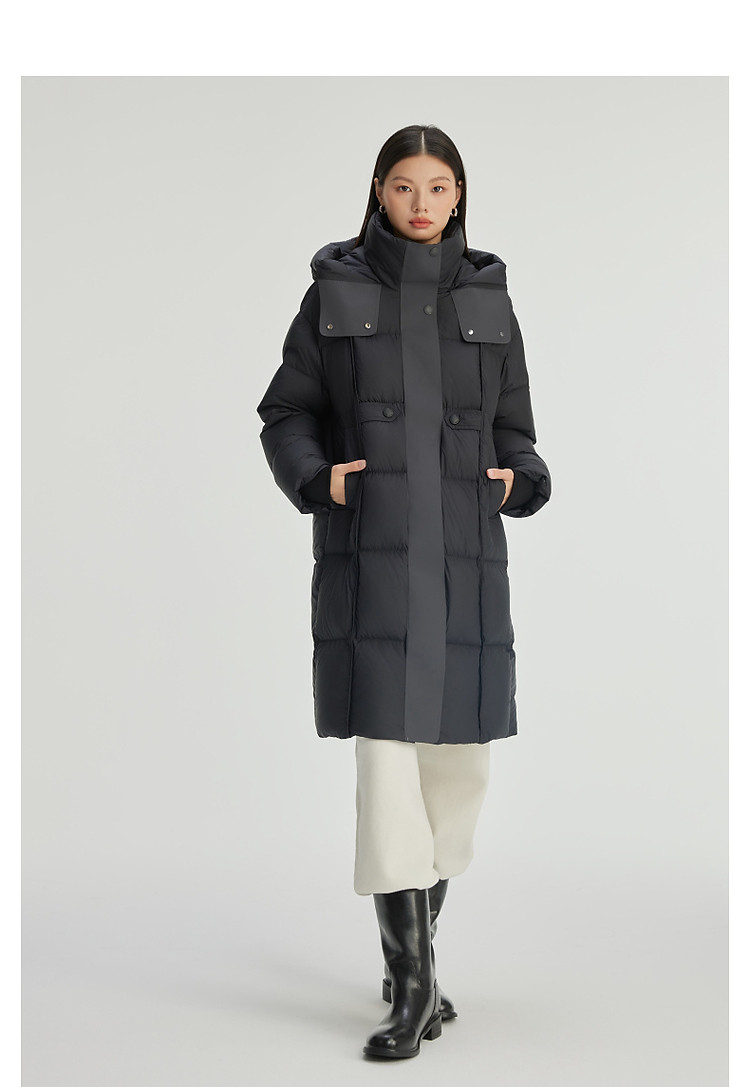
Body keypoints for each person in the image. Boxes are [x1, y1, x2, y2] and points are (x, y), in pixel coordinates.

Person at [256, 123, 552, 1060]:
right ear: (378, 193)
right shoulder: (333, 291)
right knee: (390, 778)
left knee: (456, 784)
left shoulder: (491, 299)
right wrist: (320, 478)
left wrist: (522, 475)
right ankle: (415, 989)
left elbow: (515, 425)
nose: (421, 204)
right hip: (375, 565)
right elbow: (286, 409)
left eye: (438, 187)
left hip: (466, 566)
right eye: (403, 187)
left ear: (459, 195)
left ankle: (411, 963)